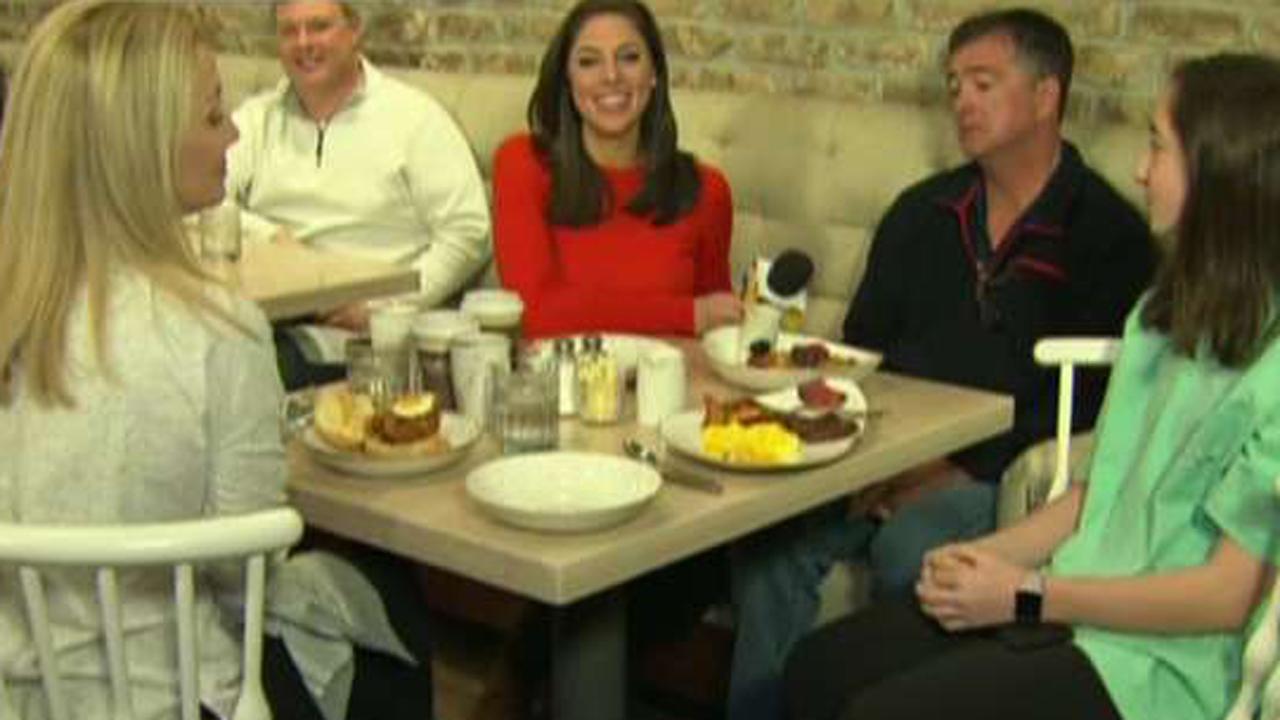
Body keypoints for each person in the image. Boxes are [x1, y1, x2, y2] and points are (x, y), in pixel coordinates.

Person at [784, 51, 1280, 720]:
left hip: (1159, 668)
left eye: (1159, 147)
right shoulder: (1162, 316)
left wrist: (1027, 594)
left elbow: (1226, 596)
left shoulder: (1272, 370)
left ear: (1222, 174)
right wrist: (981, 556)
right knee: (820, 666)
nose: (1141, 170)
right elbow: (1096, 494)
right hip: (1068, 604)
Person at [0, 3, 433, 718]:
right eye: (211, 115)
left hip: (22, 694)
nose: (233, 132)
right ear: (140, 148)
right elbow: (242, 573)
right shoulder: (219, 330)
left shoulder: (19, 306)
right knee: (390, 603)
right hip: (168, 698)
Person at [727, 9, 1157, 720]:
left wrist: (955, 468)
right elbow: (862, 348)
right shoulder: (921, 212)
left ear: (1046, 95)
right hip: (883, 453)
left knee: (910, 548)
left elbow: (1091, 405)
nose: (962, 101)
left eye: (983, 83)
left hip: (995, 472)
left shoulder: (1108, 236)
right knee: (772, 546)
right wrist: (872, 458)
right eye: (954, 85)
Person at [228, 0, 491, 387]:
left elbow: (468, 232)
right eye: (289, 31)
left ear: (355, 30)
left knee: (245, 368)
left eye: (319, 26)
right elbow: (200, 203)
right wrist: (270, 236)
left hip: (362, 331)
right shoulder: (256, 119)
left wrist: (384, 308)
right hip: (263, 310)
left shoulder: (414, 118)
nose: (304, 43)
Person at [492, 0, 741, 338]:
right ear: (567, 79)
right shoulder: (523, 164)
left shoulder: (706, 191)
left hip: (669, 373)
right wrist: (686, 314)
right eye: (589, 61)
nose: (611, 75)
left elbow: (718, 330)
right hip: (559, 373)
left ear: (654, 74)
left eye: (629, 57)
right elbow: (533, 313)